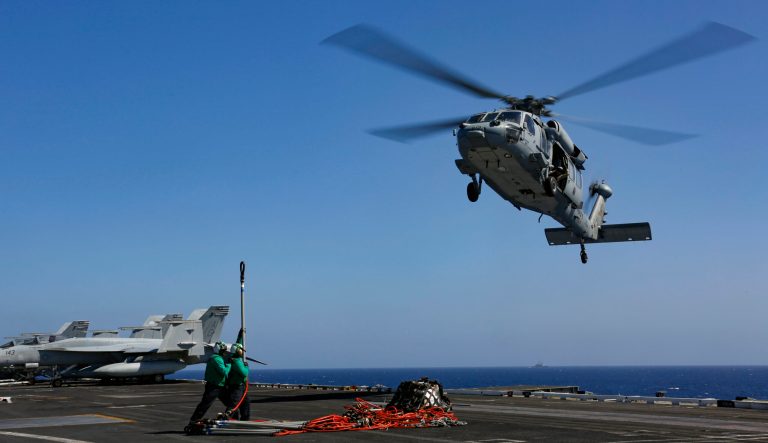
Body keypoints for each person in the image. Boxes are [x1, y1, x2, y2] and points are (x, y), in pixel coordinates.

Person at [188, 342, 232, 424]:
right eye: (223, 350)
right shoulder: (217, 359)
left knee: (231, 403)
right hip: (214, 386)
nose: (225, 352)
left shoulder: (216, 358)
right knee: (205, 404)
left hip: (219, 385)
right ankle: (193, 421)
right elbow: (224, 372)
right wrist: (229, 365)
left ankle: (231, 418)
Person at [225, 343, 250, 421]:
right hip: (237, 386)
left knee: (245, 404)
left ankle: (245, 421)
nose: (242, 352)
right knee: (234, 404)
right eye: (241, 350)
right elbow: (244, 373)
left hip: (239, 385)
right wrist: (246, 366)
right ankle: (225, 419)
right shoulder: (236, 361)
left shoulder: (235, 359)